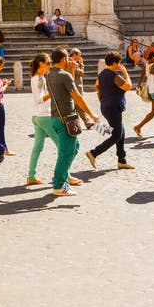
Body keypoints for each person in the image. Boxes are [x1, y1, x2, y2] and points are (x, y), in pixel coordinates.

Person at [45, 48, 99, 197]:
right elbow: (77, 97)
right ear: (63, 59)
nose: (69, 60)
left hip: (56, 118)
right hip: (65, 119)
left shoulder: (49, 74)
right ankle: (58, 185)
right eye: (67, 58)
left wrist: (71, 70)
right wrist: (91, 114)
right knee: (65, 153)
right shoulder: (64, 75)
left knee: (74, 147)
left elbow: (67, 89)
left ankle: (65, 176)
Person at [85, 51, 134, 172]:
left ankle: (122, 160)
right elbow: (128, 86)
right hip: (113, 107)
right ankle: (93, 153)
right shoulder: (114, 75)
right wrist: (125, 73)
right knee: (117, 135)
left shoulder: (102, 74)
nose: (120, 65)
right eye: (119, 63)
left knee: (121, 132)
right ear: (114, 63)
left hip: (107, 106)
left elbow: (96, 86)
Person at [27, 53, 57, 185]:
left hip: (37, 116)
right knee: (62, 146)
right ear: (41, 64)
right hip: (43, 115)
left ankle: (31, 175)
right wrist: (52, 93)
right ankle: (64, 176)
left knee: (37, 147)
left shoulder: (40, 77)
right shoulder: (38, 79)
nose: (50, 65)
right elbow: (39, 99)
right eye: (48, 63)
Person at [134, 51, 154, 139]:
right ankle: (138, 127)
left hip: (151, 90)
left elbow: (141, 76)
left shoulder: (147, 65)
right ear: (152, 58)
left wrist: (138, 87)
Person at [68, 48, 90, 129]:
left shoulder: (75, 62)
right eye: (79, 55)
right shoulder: (71, 62)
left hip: (77, 86)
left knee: (78, 105)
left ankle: (86, 122)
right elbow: (80, 72)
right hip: (75, 86)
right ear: (74, 54)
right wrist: (82, 64)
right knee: (79, 104)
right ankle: (86, 122)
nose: (80, 57)